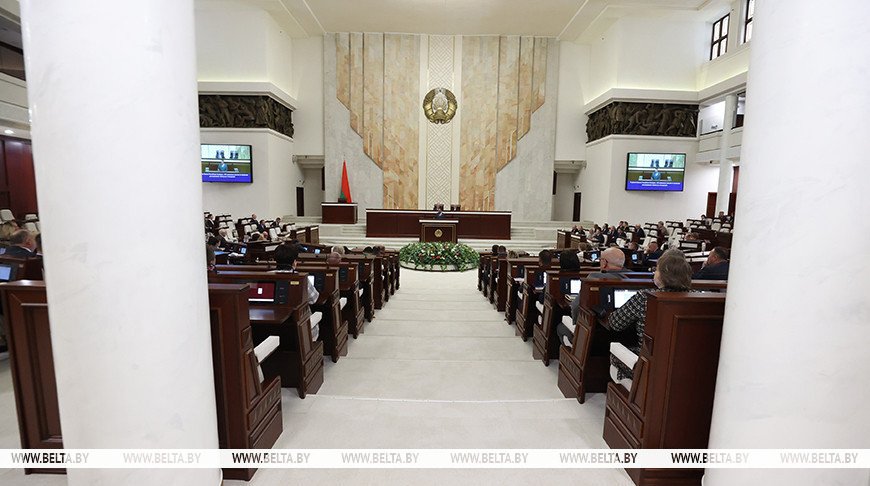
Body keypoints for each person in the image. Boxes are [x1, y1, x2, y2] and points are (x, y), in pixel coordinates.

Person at [607, 249, 694, 380]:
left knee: (615, 354)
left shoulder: (645, 297)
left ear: (664, 275)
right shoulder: (698, 297)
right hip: (688, 366)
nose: (654, 273)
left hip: (650, 366)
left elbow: (615, 323)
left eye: (657, 270)